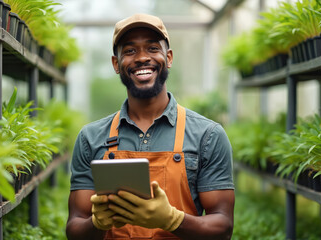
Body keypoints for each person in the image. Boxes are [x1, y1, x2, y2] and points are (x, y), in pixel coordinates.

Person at [66, 13, 234, 240]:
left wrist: (172, 219)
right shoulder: (91, 138)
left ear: (169, 57)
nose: (142, 58)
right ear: (116, 64)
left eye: (153, 48)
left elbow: (223, 227)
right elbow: (75, 228)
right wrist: (97, 223)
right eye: (130, 51)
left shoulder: (207, 135)